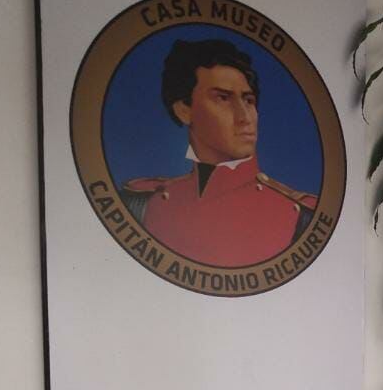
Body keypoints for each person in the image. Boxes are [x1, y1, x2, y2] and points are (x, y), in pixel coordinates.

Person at [121, 38, 317, 268]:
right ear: (184, 110)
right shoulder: (140, 204)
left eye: (249, 100)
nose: (244, 117)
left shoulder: (303, 216)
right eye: (223, 98)